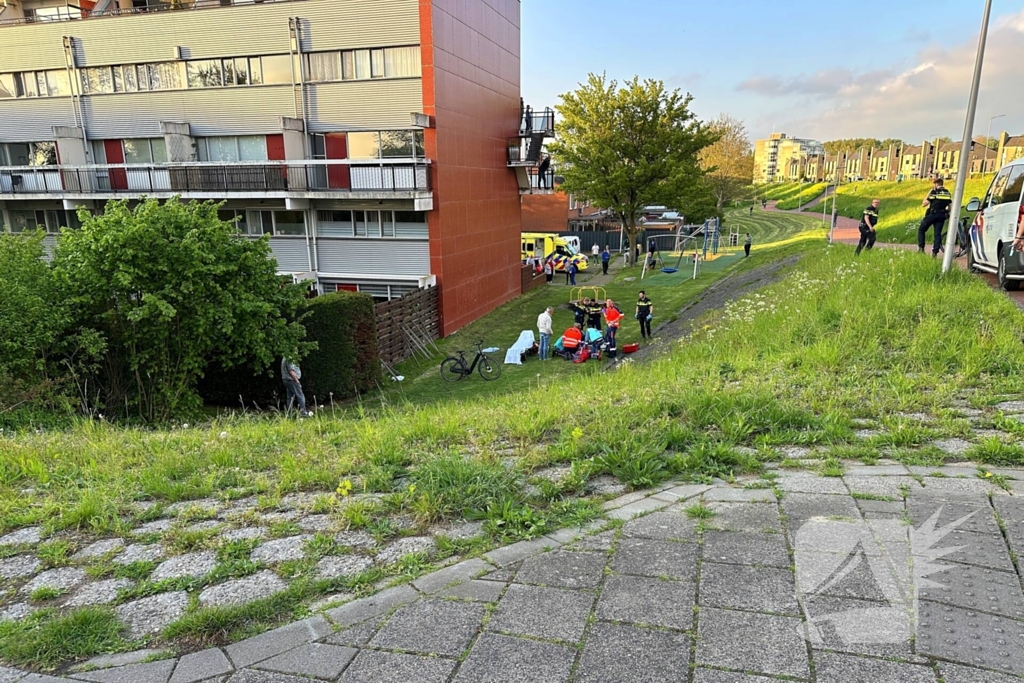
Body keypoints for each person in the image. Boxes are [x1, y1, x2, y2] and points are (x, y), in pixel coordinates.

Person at [918, 177, 952, 257]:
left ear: (936, 184)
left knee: (921, 230)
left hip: (932, 214)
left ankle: (921, 248)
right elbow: (950, 207)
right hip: (941, 215)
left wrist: (929, 192)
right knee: (937, 234)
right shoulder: (947, 193)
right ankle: (935, 253)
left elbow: (924, 204)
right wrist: (945, 211)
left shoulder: (935, 192)